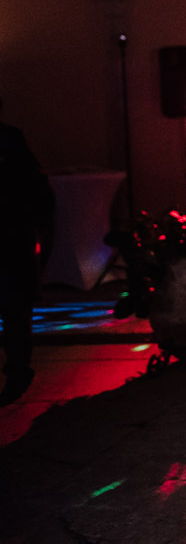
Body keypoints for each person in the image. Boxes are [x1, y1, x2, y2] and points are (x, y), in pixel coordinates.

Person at [0, 103, 54, 406]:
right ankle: (18, 373)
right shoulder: (10, 139)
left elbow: (38, 194)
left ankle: (18, 373)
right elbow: (41, 195)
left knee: (13, 310)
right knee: (13, 312)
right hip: (12, 239)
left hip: (9, 240)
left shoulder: (9, 141)